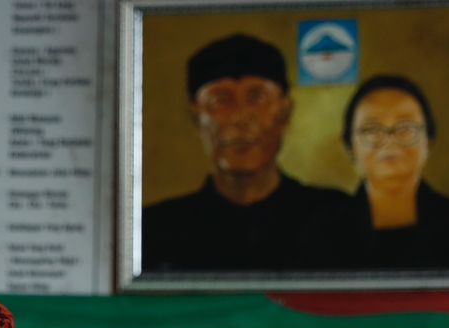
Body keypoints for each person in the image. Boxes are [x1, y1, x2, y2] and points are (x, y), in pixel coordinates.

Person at [141, 33, 353, 272]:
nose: (240, 117)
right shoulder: (156, 230)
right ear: (196, 117)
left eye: (257, 98)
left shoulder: (336, 219)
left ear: (285, 112)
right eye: (221, 100)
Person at [343, 73, 449, 270]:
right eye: (372, 130)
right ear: (350, 147)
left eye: (405, 128)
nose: (389, 141)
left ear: (429, 142)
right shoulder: (318, 231)